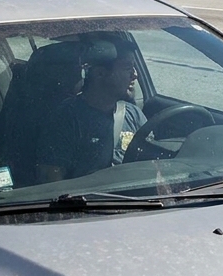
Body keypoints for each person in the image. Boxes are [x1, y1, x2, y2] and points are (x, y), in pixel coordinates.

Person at [35, 40, 147, 183]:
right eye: (127, 68)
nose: (135, 75)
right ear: (100, 73)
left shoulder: (134, 114)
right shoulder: (65, 120)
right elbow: (52, 182)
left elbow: (154, 167)